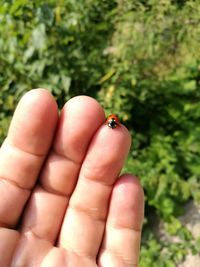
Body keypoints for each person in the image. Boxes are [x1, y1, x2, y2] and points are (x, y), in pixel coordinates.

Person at [0, 89, 144, 267]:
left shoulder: (112, 123)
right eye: (112, 122)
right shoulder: (111, 122)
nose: (113, 123)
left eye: (113, 123)